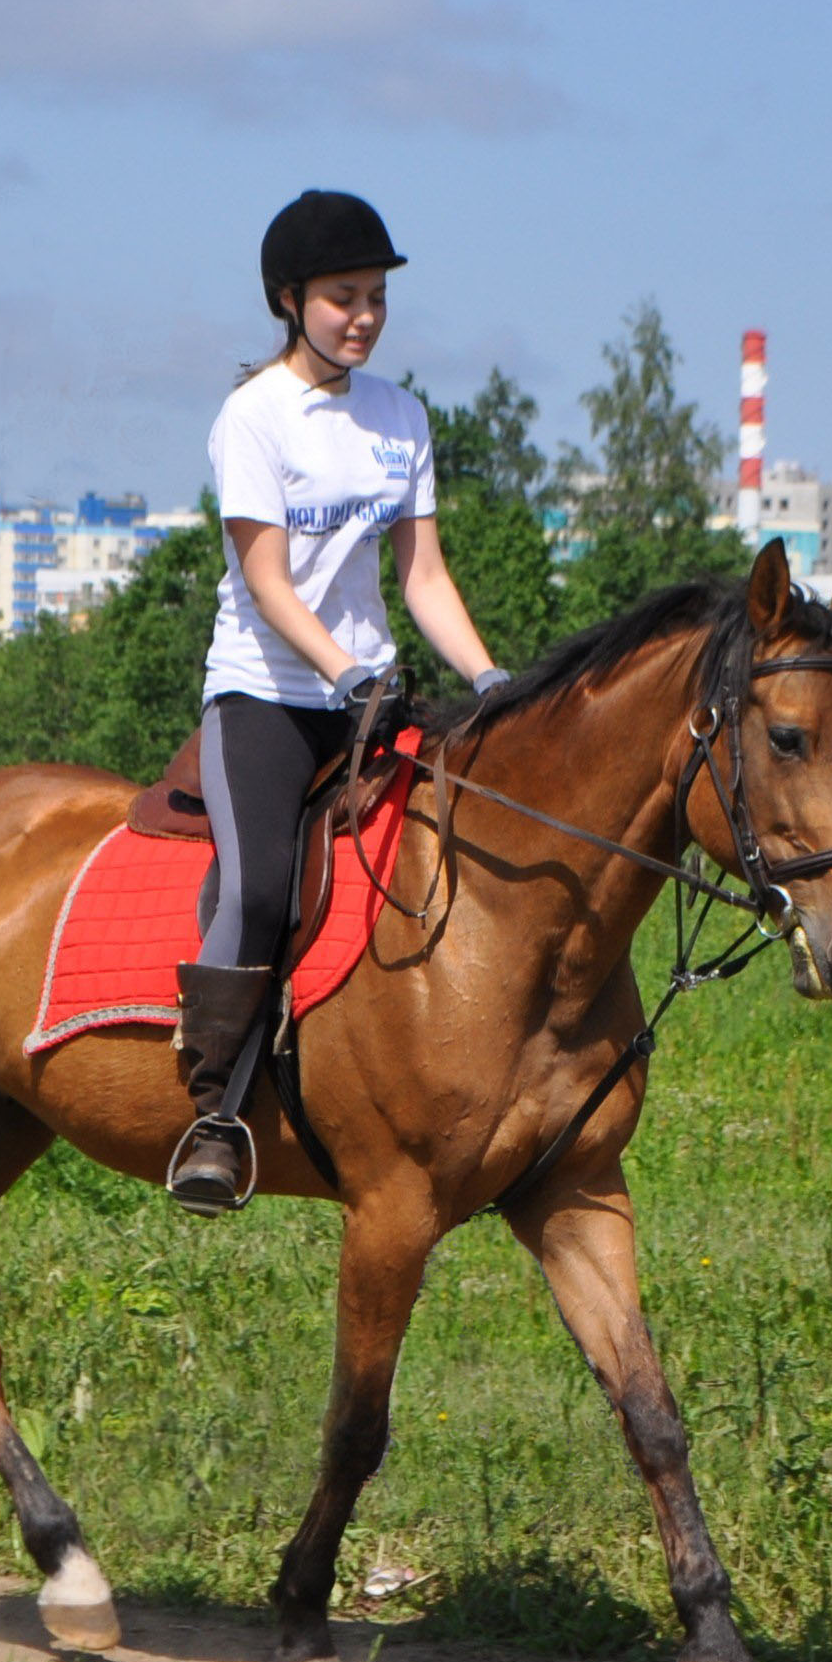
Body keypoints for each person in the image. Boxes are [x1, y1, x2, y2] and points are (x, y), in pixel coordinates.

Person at [169, 188, 511, 1215]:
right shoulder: (251, 418)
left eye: (373, 298)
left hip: (369, 694)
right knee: (265, 886)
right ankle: (214, 1115)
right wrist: (342, 671)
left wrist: (490, 683)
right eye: (340, 298)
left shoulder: (399, 417)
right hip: (266, 696)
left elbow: (423, 579)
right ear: (289, 300)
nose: (361, 316)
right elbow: (268, 584)